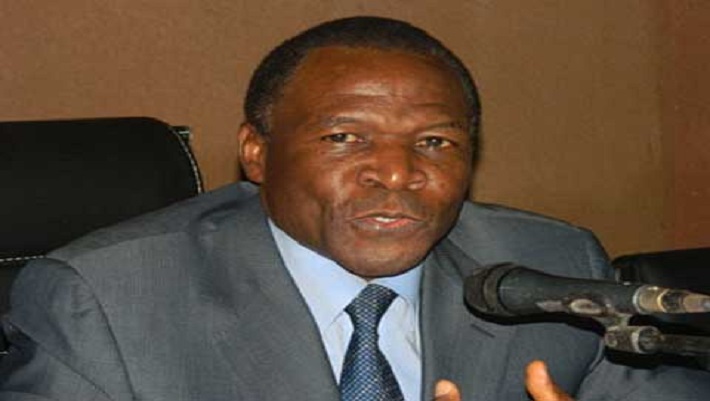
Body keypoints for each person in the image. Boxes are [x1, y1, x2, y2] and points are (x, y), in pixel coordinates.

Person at [0, 16, 708, 401]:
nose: (397, 172)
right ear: (257, 153)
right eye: (345, 138)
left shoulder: (546, 266)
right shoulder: (106, 302)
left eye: (435, 141)